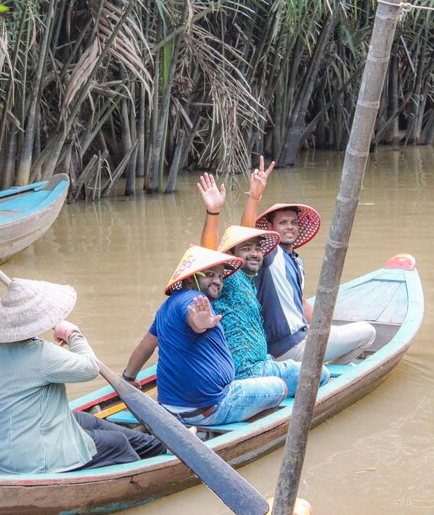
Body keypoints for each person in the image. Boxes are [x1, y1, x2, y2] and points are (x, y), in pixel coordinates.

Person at [0, 235, 166, 474]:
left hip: (0, 451)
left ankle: (156, 446)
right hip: (37, 458)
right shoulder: (40, 355)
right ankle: (143, 473)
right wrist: (73, 334)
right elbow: (89, 367)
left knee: (85, 420)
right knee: (116, 444)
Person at [122, 245, 287, 426]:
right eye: (209, 275)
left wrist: (128, 377)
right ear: (191, 280)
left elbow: (147, 344)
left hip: (174, 408)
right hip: (211, 407)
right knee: (280, 386)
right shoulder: (193, 300)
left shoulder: (166, 307)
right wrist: (199, 323)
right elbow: (193, 318)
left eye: (220, 276)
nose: (217, 281)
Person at [197, 173, 329, 396]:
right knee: (319, 374)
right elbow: (210, 253)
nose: (255, 254)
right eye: (245, 250)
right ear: (231, 255)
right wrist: (215, 212)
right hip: (246, 371)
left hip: (264, 362)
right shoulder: (228, 277)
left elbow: (249, 239)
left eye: (258, 249)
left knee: (319, 373)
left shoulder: (252, 281)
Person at [253, 203, 376, 363]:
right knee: (368, 332)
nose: (289, 227)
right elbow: (250, 235)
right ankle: (325, 373)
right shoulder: (270, 255)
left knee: (338, 333)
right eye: (282, 223)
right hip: (289, 348)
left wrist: (329, 329)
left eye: (294, 222)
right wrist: (254, 198)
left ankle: (320, 369)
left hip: (302, 337)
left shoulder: (296, 261)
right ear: (270, 227)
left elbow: (302, 304)